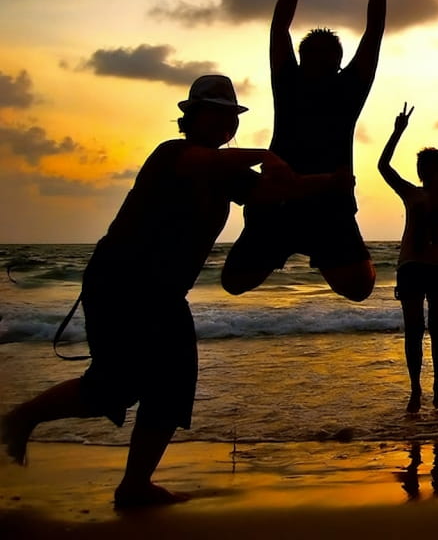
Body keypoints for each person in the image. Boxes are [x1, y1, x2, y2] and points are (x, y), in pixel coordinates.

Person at [1, 75, 345, 508]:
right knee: (113, 387)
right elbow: (213, 166)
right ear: (192, 116)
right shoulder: (174, 154)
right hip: (121, 284)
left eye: (229, 118)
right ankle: (24, 416)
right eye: (215, 114)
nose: (223, 125)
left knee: (173, 387)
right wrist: (265, 153)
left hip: (164, 294)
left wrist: (331, 181)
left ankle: (135, 486)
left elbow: (273, 189)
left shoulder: (227, 173)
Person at [222, 0, 396, 302]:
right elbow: (281, 29)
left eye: (325, 57)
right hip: (279, 198)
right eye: (313, 56)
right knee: (233, 282)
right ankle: (284, 249)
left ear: (336, 62)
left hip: (327, 201)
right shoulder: (291, 80)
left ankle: (307, 251)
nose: (318, 62)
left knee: (360, 288)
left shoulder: (346, 87)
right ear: (303, 59)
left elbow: (372, 34)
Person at [378, 103, 438, 414]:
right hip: (411, 267)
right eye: (423, 170)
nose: (426, 175)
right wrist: (396, 132)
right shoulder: (411, 193)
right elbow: (384, 167)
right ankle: (415, 389)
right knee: (414, 329)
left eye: (432, 169)